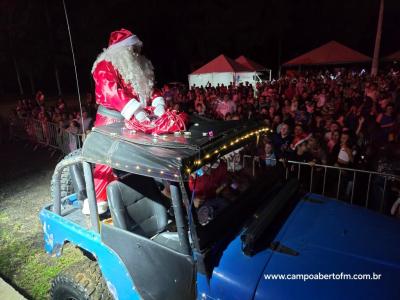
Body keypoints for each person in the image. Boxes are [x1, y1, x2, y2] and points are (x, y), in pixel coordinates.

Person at [86, 28, 187, 215]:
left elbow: (151, 88)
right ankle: (98, 201)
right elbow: (111, 91)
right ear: (121, 50)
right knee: (106, 158)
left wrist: (158, 104)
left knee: (142, 157)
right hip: (112, 119)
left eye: (136, 48)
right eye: (132, 49)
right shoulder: (104, 65)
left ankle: (149, 193)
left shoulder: (140, 66)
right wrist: (136, 112)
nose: (136, 53)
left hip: (139, 119)